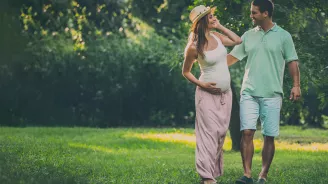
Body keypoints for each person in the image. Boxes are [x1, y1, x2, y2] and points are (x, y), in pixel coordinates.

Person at [226, 0, 301, 183]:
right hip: (249, 92)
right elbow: (232, 57)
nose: (251, 15)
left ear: (265, 13)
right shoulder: (248, 35)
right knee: (247, 132)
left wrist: (296, 85)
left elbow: (292, 61)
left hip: (273, 93)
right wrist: (209, 64)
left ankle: (263, 175)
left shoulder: (283, 36)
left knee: (269, 135)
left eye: (254, 13)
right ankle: (247, 175)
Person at [182, 5, 242, 184]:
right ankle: (206, 176)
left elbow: (237, 40)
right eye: (210, 17)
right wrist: (203, 84)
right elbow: (186, 72)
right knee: (208, 133)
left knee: (220, 133)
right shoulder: (193, 47)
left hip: (226, 95)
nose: (213, 18)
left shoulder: (217, 36)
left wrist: (220, 26)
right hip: (206, 95)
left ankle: (211, 171)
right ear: (202, 21)